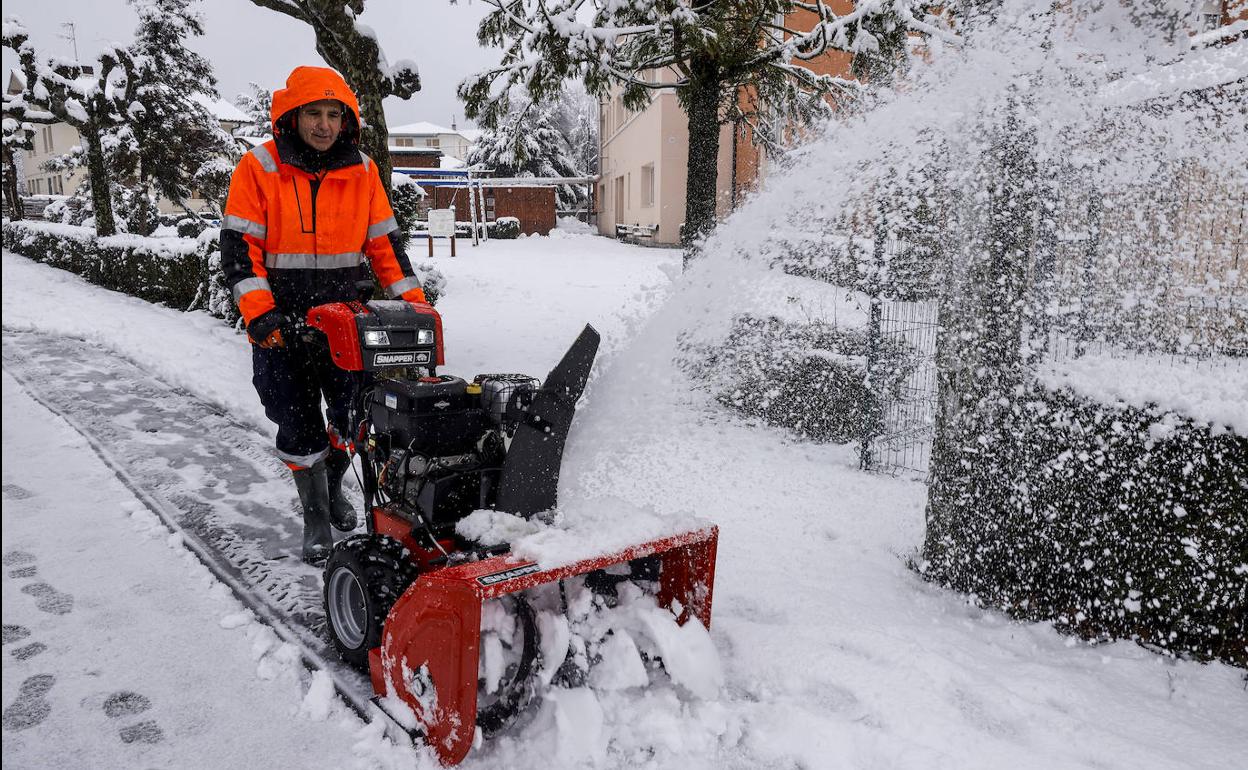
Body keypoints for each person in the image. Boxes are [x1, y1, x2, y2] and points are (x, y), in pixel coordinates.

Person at [220, 66, 427, 564]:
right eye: (314, 113)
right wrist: (261, 315)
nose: (324, 124)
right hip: (282, 324)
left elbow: (384, 247)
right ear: (292, 115)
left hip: (346, 322)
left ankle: (334, 485)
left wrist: (418, 311)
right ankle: (315, 513)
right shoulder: (260, 167)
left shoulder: (362, 170)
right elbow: (239, 247)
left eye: (335, 115)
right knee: (295, 422)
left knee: (353, 415)